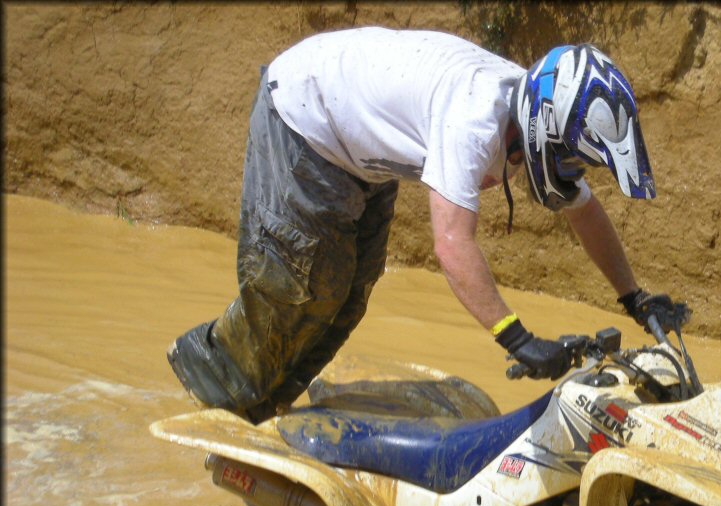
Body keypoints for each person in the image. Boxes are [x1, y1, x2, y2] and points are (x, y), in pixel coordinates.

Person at [167, 27, 687, 423]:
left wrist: (634, 298)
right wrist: (517, 339)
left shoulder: (531, 108)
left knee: (348, 295)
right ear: (541, 131)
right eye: (570, 162)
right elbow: (452, 245)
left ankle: (263, 409)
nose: (570, 173)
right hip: (305, 114)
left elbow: (585, 213)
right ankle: (211, 381)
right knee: (302, 283)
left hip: (363, 151)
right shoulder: (474, 120)